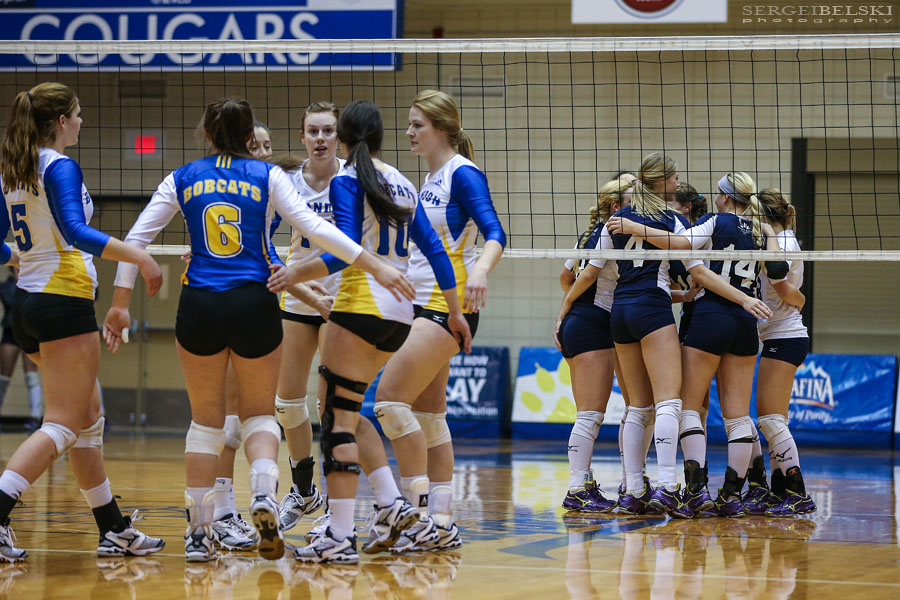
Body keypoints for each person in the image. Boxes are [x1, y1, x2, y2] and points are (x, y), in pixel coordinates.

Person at [102, 97, 413, 563]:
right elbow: (314, 227)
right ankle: (265, 494)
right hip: (254, 302)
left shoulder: (181, 177)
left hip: (200, 305)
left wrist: (120, 304)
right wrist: (375, 265)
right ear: (252, 138)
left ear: (207, 135)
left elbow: (136, 241)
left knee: (205, 423)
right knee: (261, 414)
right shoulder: (267, 176)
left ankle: (199, 533)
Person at [268, 100, 471, 564]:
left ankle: (339, 533)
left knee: (335, 420)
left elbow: (345, 253)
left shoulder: (347, 179)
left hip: (359, 307)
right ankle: (390, 503)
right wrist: (455, 312)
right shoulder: (401, 182)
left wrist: (293, 274)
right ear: (380, 138)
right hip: (401, 316)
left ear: (342, 139)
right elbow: (437, 253)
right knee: (342, 408)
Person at [0, 82, 166, 562]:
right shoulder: (58, 166)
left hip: (29, 305)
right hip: (63, 301)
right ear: (58, 123)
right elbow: (75, 230)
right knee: (65, 424)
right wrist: (138, 254)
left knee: (88, 420)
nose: (81, 121)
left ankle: (112, 528)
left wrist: (16, 256)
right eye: (76, 114)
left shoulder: (12, 169)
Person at [371, 89, 505, 551]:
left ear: (442, 129)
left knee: (389, 402)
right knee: (430, 415)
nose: (408, 132)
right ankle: (442, 522)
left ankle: (414, 514)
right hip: (420, 305)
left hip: (447, 308)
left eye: (417, 125)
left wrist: (482, 272)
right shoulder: (426, 180)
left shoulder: (462, 175)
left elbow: (495, 233)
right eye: (408, 124)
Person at [619, 172, 784, 517]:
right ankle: (732, 494)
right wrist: (768, 236)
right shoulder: (758, 231)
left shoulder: (713, 220)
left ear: (724, 197)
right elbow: (778, 269)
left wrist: (636, 228)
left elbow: (681, 244)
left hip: (708, 316)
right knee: (738, 417)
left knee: (690, 409)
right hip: (745, 322)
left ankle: (695, 491)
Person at [601, 152, 693, 518]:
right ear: (664, 181)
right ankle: (668, 486)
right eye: (674, 178)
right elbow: (686, 248)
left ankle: (633, 490)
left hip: (620, 310)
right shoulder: (672, 218)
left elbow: (602, 266)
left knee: (637, 407)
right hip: (652, 307)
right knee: (669, 402)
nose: (677, 183)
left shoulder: (617, 218)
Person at [271, 102, 344, 532]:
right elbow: (258, 232)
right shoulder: (287, 182)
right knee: (286, 402)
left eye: (327, 131)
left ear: (338, 137)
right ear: (302, 138)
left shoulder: (353, 178)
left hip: (342, 299)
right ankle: (304, 491)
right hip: (301, 297)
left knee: (332, 407)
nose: (320, 138)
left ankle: (339, 505)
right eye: (312, 131)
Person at [208, 120, 276, 551]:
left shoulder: (269, 186)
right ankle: (220, 514)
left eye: (270, 146)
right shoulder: (247, 188)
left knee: (244, 414)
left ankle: (229, 510)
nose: (266, 154)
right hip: (227, 300)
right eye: (258, 146)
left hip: (248, 300)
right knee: (231, 417)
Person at [553, 178, 632, 513]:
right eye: (632, 198)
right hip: (591, 324)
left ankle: (583, 484)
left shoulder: (587, 234)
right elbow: (581, 278)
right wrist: (567, 309)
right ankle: (577, 488)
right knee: (590, 415)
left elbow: (564, 276)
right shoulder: (609, 234)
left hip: (581, 324)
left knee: (589, 414)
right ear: (616, 207)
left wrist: (570, 309)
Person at [747, 188, 816, 516]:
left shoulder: (782, 242)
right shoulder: (780, 239)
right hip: (782, 335)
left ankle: (797, 491)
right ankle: (778, 488)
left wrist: (800, 301)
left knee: (770, 420)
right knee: (777, 420)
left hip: (784, 337)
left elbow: (785, 288)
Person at [0, 267, 43, 430]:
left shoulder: (36, 283)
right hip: (10, 333)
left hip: (30, 331)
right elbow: (12, 300)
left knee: (31, 376)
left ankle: (35, 417)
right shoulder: (6, 286)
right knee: (3, 378)